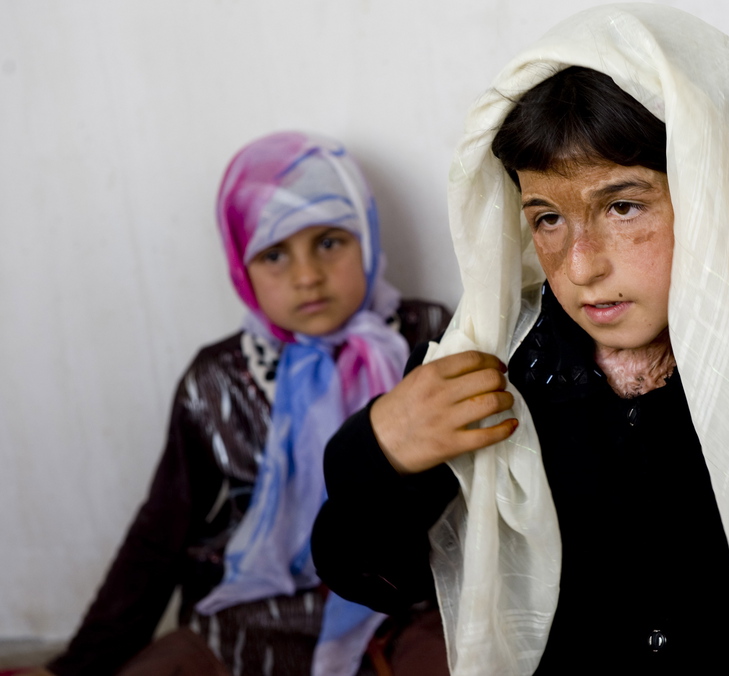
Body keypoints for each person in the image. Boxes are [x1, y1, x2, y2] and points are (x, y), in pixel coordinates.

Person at [311, 6, 729, 675]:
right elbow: (368, 575)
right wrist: (380, 451)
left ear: (714, 192)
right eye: (548, 217)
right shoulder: (499, 363)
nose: (582, 264)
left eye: (624, 205)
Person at [39, 132, 449, 676]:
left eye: (330, 242)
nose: (307, 275)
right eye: (274, 254)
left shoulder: (429, 340)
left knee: (465, 660)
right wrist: (78, 666)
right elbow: (159, 534)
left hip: (399, 599)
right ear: (240, 265)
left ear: (367, 238)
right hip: (251, 612)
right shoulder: (216, 382)